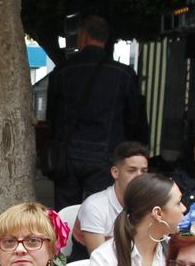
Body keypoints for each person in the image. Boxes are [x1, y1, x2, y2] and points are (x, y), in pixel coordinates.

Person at [43, 14, 150, 208]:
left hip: (68, 154)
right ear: (106, 39)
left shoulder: (63, 71)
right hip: (106, 154)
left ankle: (64, 239)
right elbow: (134, 120)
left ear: (82, 36)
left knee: (65, 214)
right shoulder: (124, 75)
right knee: (100, 212)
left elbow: (52, 116)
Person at [73, 141, 149, 253]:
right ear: (115, 172)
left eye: (144, 171)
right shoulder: (94, 206)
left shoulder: (149, 205)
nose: (139, 177)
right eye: (132, 170)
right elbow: (100, 261)